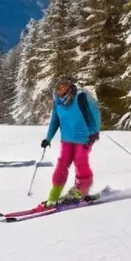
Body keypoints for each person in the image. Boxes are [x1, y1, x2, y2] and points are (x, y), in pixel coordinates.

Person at [40, 77, 101, 207]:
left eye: (64, 86)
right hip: (66, 139)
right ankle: (54, 194)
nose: (60, 89)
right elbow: (54, 121)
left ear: (69, 86)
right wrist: (48, 138)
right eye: (58, 87)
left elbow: (93, 115)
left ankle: (81, 190)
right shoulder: (57, 102)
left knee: (80, 162)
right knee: (62, 164)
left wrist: (94, 132)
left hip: (84, 138)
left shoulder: (80, 97)